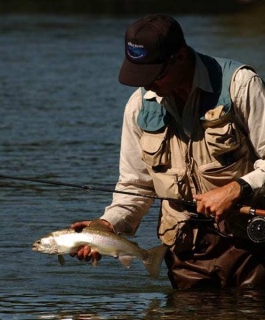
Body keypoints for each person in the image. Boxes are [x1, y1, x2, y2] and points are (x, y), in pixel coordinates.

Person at [71, 14, 265, 290]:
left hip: (251, 247)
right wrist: (107, 224)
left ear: (180, 57)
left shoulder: (240, 86)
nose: (147, 84)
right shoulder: (139, 107)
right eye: (140, 74)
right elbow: (134, 187)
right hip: (185, 254)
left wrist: (236, 189)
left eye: (154, 74)